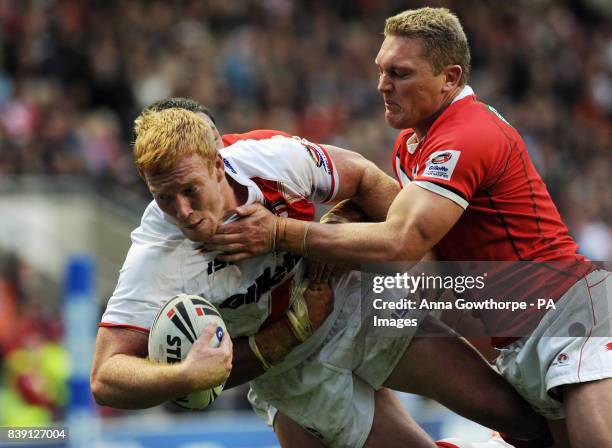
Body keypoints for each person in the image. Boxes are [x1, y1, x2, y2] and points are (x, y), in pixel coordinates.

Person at [204, 7, 612, 448]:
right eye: (381, 70)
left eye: (399, 73)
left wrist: (282, 234)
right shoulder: (409, 146)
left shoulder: (467, 133)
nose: (382, 85)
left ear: (449, 78)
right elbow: (428, 264)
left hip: (573, 316)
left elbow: (402, 240)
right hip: (516, 343)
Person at [90, 102, 548, 448]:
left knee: (518, 418)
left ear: (217, 163)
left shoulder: (271, 159)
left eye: (190, 192)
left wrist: (321, 233)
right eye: (165, 199)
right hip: (293, 373)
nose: (183, 213)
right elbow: (105, 377)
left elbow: (370, 183)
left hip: (356, 306)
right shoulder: (157, 251)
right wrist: (187, 375)